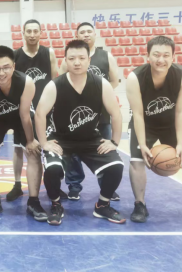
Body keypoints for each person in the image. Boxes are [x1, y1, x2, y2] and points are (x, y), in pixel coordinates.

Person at [126, 36, 182, 225]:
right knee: (136, 161)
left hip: (171, 124)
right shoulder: (135, 78)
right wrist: (142, 144)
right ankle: (140, 204)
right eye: (156, 54)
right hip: (145, 123)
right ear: (148, 56)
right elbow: (138, 115)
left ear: (173, 57)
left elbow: (181, 112)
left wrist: (180, 144)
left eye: (166, 55)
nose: (161, 59)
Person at [36, 40, 125, 226]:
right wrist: (44, 142)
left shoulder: (101, 84)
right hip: (61, 139)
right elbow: (39, 114)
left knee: (116, 166)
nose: (77, 62)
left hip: (90, 139)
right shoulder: (55, 85)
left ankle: (102, 205)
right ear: (65, 61)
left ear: (89, 60)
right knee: (52, 169)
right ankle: (56, 205)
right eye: (72, 58)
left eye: (81, 58)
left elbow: (116, 114)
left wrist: (114, 142)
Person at [0, 46, 46, 221]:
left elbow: (24, 115)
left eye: (6, 67)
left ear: (13, 66)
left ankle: (34, 201)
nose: (1, 73)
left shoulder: (26, 82)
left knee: (33, 153)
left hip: (21, 117)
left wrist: (30, 141)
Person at [59, 22, 121, 201]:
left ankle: (107, 186)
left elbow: (114, 81)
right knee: (72, 154)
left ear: (95, 34)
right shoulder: (68, 59)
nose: (86, 34)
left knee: (104, 149)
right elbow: (61, 82)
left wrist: (98, 95)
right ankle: (74, 186)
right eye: (82, 32)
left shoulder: (106, 56)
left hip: (101, 114)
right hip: (76, 115)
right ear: (77, 36)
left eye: (89, 31)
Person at [9, 19, 61, 201]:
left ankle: (53, 185)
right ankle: (17, 185)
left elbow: (54, 81)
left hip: (45, 109)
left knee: (48, 147)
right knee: (18, 148)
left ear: (40, 33)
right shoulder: (15, 55)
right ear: (23, 33)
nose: (32, 34)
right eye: (28, 31)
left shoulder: (49, 53)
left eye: (35, 31)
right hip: (22, 109)